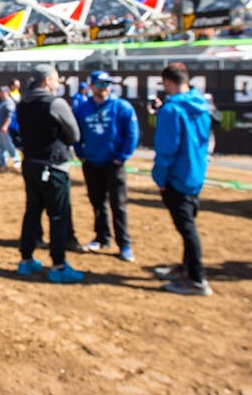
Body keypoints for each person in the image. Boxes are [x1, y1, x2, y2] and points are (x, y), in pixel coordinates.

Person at [15, 63, 84, 283]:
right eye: (56, 79)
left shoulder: (23, 103)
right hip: (53, 166)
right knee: (58, 215)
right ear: (46, 81)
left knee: (32, 212)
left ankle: (26, 260)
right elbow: (74, 134)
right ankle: (59, 265)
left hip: (31, 164)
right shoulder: (55, 103)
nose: (58, 82)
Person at [152, 63, 213, 296]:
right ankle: (187, 268)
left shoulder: (172, 109)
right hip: (195, 173)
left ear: (168, 81)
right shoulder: (200, 104)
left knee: (187, 229)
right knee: (189, 225)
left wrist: (160, 178)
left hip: (177, 176)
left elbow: (167, 149)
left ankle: (197, 279)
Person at [73, 71, 140, 262]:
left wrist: (122, 157)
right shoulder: (83, 108)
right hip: (91, 163)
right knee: (97, 202)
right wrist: (81, 153)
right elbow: (75, 132)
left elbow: (132, 134)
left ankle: (124, 244)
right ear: (91, 86)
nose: (104, 88)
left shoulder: (122, 106)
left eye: (107, 84)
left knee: (118, 205)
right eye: (100, 84)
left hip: (113, 164)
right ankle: (102, 237)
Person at [0, 84, 20, 171]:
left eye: (2, 92)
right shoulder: (2, 102)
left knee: (9, 145)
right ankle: (2, 163)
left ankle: (17, 159)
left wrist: (5, 126)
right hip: (0, 128)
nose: (0, 93)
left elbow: (10, 116)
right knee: (2, 146)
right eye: (0, 92)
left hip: (6, 129)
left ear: (7, 92)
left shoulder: (9, 102)